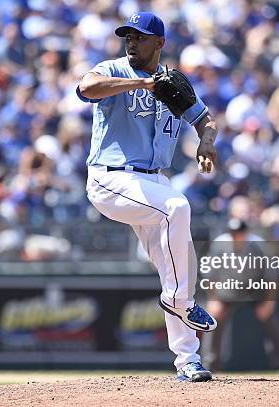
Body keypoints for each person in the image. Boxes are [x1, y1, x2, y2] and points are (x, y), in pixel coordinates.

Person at [77, 12, 218, 382]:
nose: (131, 42)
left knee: (177, 264)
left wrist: (205, 140)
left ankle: (187, 359)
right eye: (127, 36)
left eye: (139, 37)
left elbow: (205, 119)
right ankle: (181, 302)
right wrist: (140, 83)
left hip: (152, 182)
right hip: (110, 178)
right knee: (177, 206)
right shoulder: (115, 70)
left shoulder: (172, 81)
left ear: (159, 43)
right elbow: (87, 89)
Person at [202, 219, 279, 374]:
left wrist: (269, 302)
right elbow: (211, 276)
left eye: (240, 233)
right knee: (213, 318)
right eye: (234, 233)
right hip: (228, 289)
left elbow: (272, 276)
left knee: (269, 319)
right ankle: (210, 364)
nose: (238, 236)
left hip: (255, 289)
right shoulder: (220, 244)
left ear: (246, 232)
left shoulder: (258, 244)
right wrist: (214, 299)